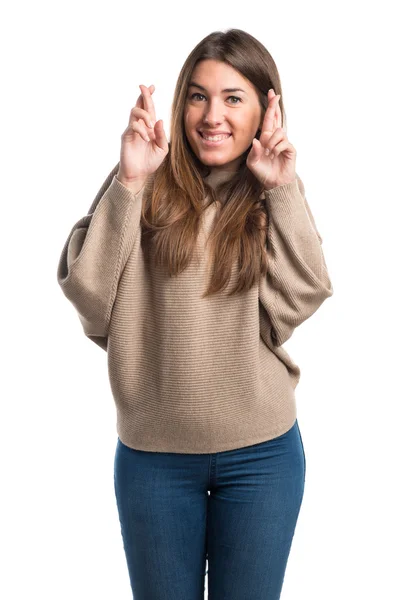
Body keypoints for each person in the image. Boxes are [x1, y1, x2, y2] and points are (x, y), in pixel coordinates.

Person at [57, 28, 333, 600]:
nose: (213, 115)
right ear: (182, 102)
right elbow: (88, 292)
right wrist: (130, 181)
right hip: (153, 461)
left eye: (234, 98)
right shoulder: (142, 180)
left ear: (265, 108)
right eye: (199, 96)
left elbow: (306, 291)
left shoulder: (271, 192)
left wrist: (280, 191)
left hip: (262, 457)